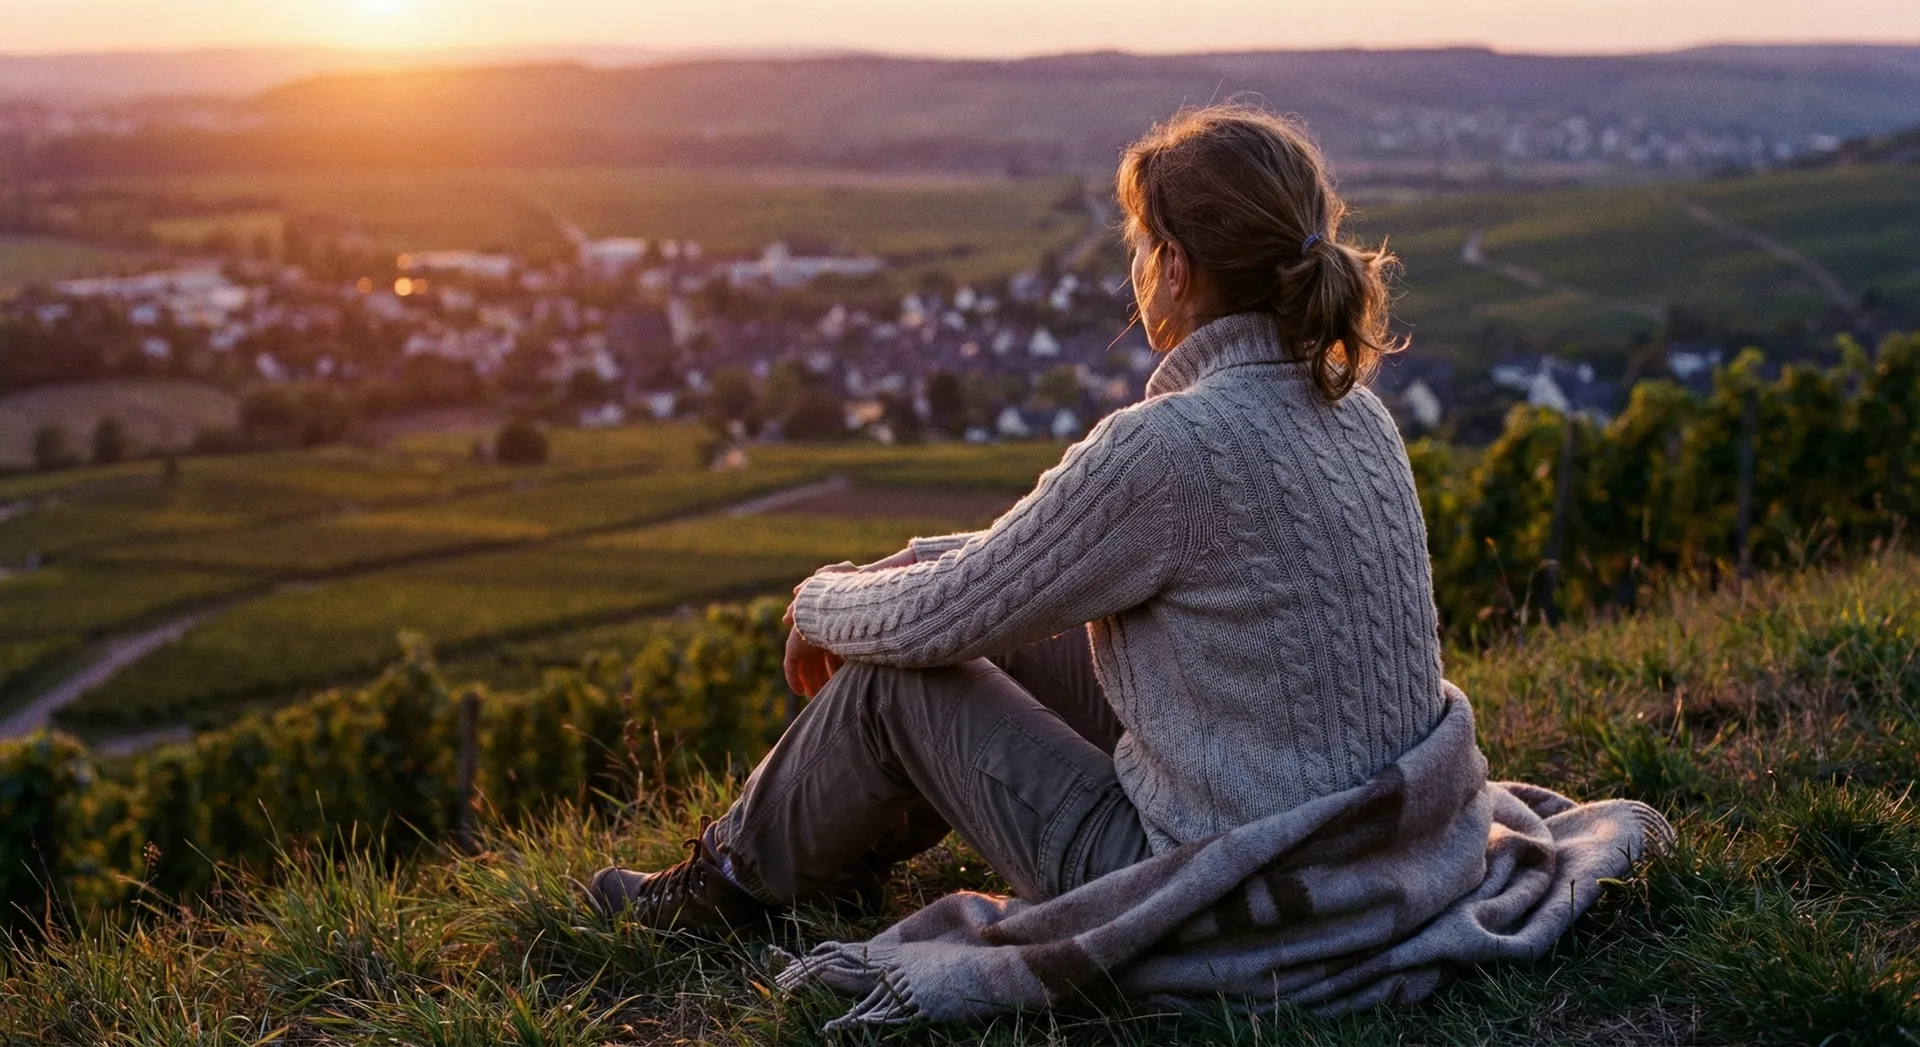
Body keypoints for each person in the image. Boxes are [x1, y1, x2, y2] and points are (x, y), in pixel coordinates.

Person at [588, 103, 1441, 930]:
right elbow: (1028, 568)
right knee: (996, 624)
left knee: (895, 679)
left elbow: (949, 613)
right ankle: (835, 858)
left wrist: (820, 602)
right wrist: (908, 563)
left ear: (1177, 268)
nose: (1137, 269)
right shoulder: (1351, 409)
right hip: (1362, 841)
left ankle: (719, 887)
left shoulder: (1177, 444)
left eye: (1142, 246)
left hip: (1205, 885)